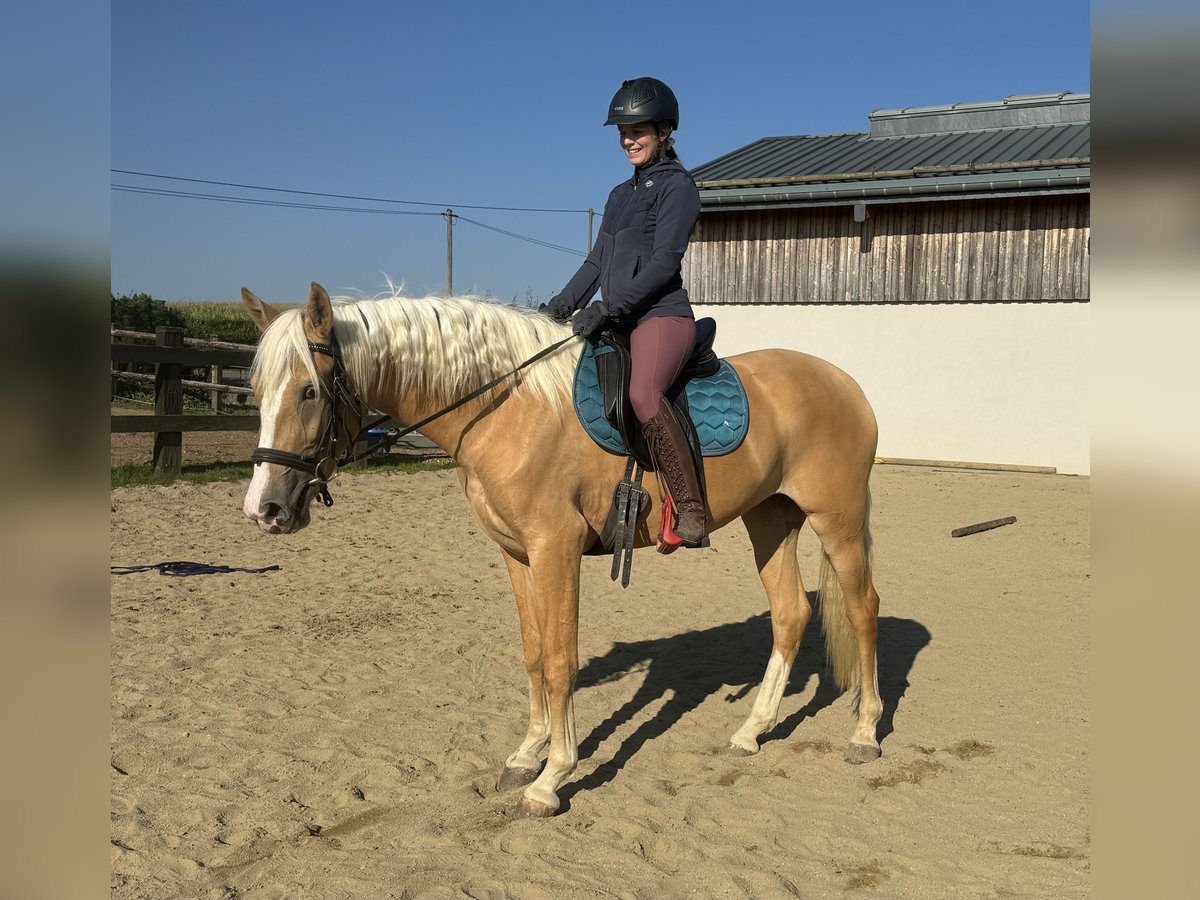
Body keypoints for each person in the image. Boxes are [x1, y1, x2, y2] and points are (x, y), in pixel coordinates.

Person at [542, 77, 707, 547]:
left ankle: (690, 508)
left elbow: (663, 263)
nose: (629, 140)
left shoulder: (678, 188)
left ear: (664, 132)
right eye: (623, 132)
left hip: (662, 316)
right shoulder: (619, 195)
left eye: (639, 131)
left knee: (642, 394)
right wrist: (561, 305)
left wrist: (609, 308)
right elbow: (597, 262)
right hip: (619, 318)